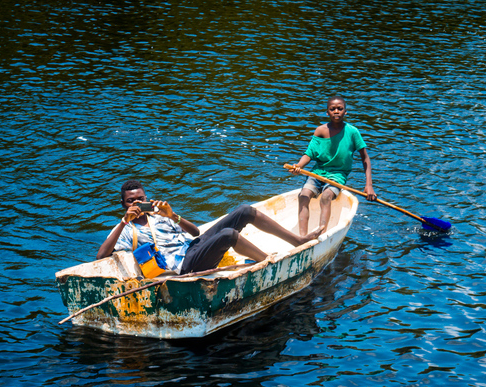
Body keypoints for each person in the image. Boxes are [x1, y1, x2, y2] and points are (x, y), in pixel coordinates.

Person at [96, 180, 324, 274]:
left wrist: (173, 215)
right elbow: (101, 256)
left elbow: (196, 233)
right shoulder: (125, 229)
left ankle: (298, 241)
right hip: (183, 266)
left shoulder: (159, 216)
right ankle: (270, 265)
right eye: (131, 201)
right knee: (228, 235)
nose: (137, 204)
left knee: (245, 210)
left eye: (141, 199)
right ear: (123, 204)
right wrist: (124, 220)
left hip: (193, 248)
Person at [289, 96, 377, 236]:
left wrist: (369, 185)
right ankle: (302, 237)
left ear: (345, 112)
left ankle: (321, 232)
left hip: (338, 175)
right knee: (303, 196)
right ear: (327, 113)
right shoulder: (320, 131)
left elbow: (365, 158)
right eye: (332, 109)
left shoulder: (352, 132)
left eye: (340, 108)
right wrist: (299, 166)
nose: (336, 111)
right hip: (318, 172)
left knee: (326, 196)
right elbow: (309, 153)